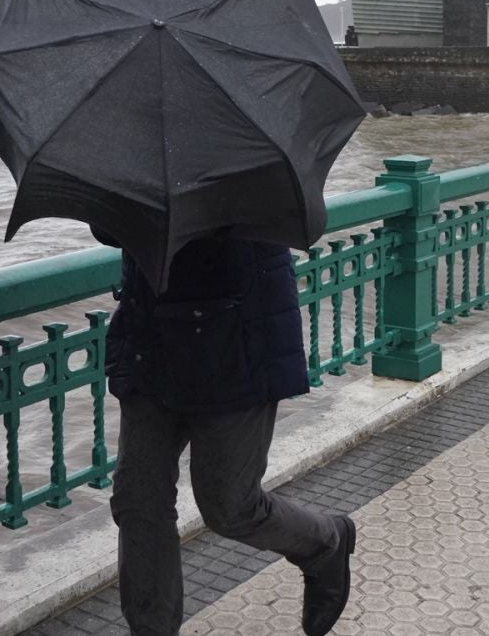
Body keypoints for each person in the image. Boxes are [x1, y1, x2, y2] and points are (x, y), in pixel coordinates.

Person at [96, 228, 356, 636]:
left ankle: (324, 543)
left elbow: (297, 221)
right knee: (137, 499)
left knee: (229, 506)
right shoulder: (135, 161)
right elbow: (110, 230)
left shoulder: (251, 166)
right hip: (151, 336)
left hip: (238, 334)